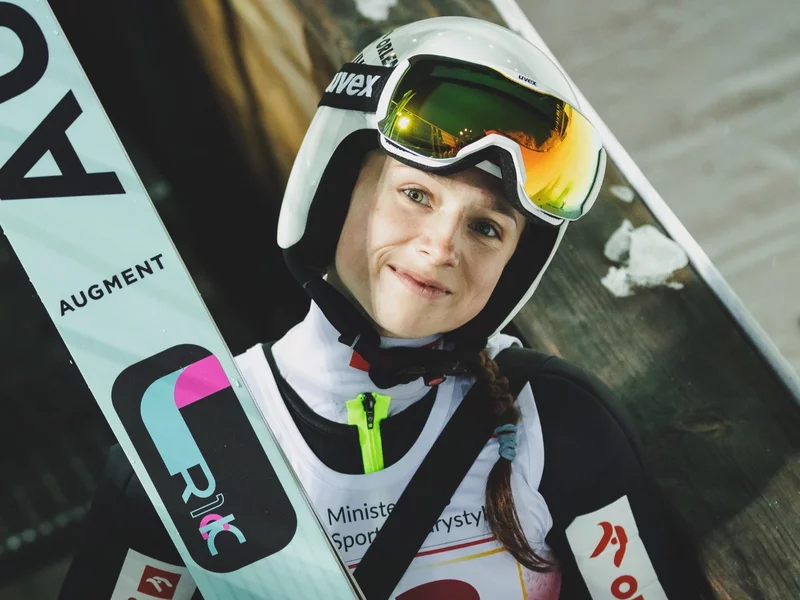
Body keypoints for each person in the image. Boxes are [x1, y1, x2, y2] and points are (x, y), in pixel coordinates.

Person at [58, 16, 714, 600]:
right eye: (415, 195)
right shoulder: (191, 436)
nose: (440, 247)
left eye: (486, 228)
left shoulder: (556, 427)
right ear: (335, 189)